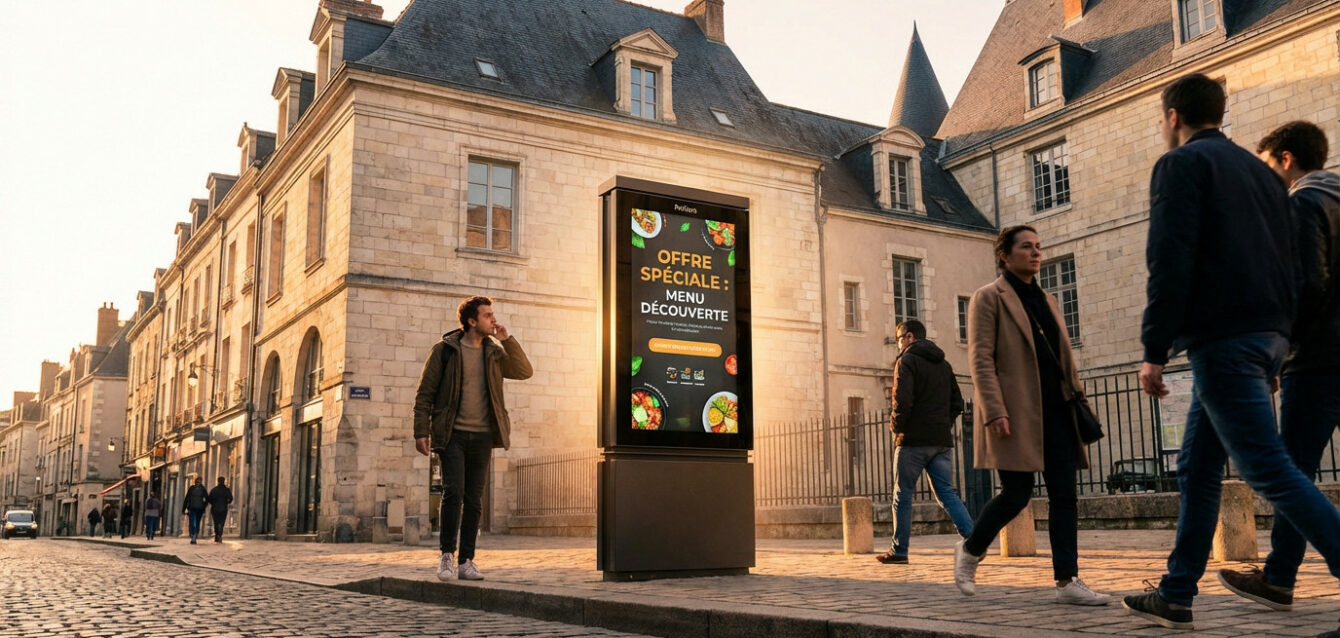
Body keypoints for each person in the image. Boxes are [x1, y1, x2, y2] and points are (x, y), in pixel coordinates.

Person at [1124, 74, 1340, 632]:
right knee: (1198, 465)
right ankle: (1176, 593)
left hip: (1225, 341)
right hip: (1266, 338)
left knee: (1268, 468)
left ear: (1172, 117)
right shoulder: (1264, 176)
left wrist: (1154, 347)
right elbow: (1291, 269)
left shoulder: (1181, 165)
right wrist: (1280, 343)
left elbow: (1169, 260)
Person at [1213, 122, 1340, 632]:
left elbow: (1308, 285)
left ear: (1285, 159)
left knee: (1291, 473)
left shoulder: (1305, 202)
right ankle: (1279, 575)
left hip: (1321, 358)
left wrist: (1276, 353)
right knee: (1295, 472)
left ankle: (1280, 578)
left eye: (1267, 165)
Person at [952, 225, 1110, 606]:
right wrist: (993, 409)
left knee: (1064, 495)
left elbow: (1063, 357)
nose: (1036, 253)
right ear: (1004, 255)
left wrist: (1080, 399)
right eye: (1027, 247)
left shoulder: (1049, 299)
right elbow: (980, 359)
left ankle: (1067, 581)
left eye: (1038, 247)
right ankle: (971, 550)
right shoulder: (988, 297)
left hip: (1058, 410)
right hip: (1016, 411)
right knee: (1017, 494)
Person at [413, 296, 532, 582]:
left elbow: (524, 371)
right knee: (453, 493)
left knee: (474, 499)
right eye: (488, 315)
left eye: (493, 315)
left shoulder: (494, 352)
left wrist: (508, 340)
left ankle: (467, 560)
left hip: (482, 436)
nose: (493, 320)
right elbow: (425, 395)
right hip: (452, 434)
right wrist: (421, 431)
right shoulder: (445, 351)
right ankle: (446, 555)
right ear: (471, 321)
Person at [875, 319, 973, 565]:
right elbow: (957, 403)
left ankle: (900, 551)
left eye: (899, 339)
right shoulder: (944, 364)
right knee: (946, 493)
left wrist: (897, 428)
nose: (898, 344)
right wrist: (942, 425)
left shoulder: (906, 361)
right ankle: (974, 541)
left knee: (902, 494)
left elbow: (902, 401)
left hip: (913, 441)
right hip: (940, 441)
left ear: (908, 337)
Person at [207, 477, 233, 544]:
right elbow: (231, 498)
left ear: (218, 481)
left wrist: (213, 503)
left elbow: (209, 499)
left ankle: (216, 535)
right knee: (221, 522)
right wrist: (227, 502)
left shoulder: (214, 490)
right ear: (224, 481)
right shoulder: (226, 490)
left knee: (216, 522)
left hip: (215, 508)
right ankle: (220, 534)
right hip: (223, 508)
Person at [183, 476, 209, 544]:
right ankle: (195, 534)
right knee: (197, 522)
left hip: (192, 507)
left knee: (192, 522)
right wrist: (203, 506)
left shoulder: (191, 488)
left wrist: (184, 509)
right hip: (200, 508)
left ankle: (193, 535)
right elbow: (207, 499)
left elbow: (187, 499)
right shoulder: (203, 489)